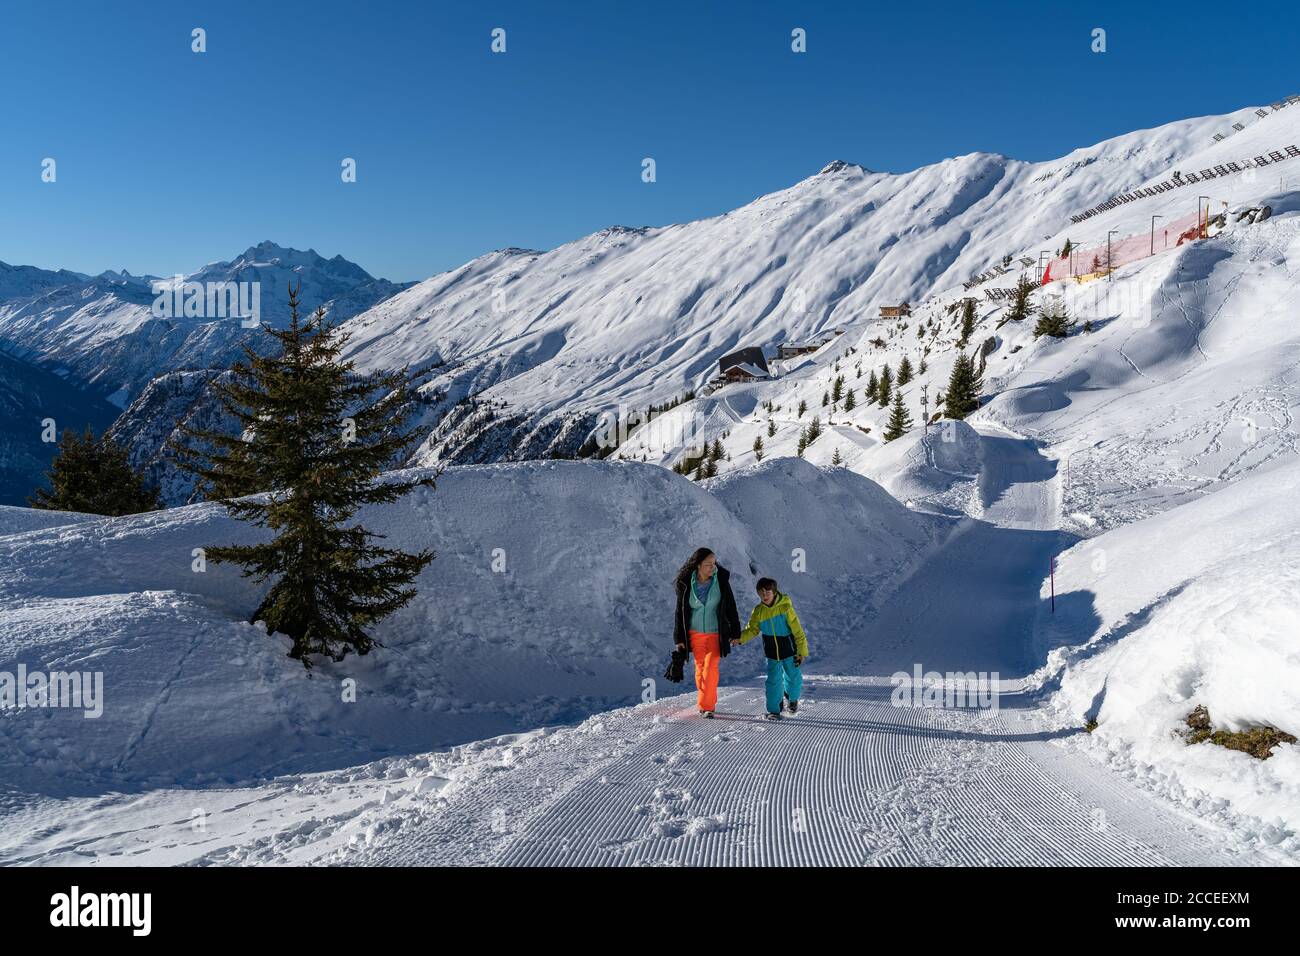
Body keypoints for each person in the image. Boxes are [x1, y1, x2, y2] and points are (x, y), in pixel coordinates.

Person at [673, 547, 741, 718]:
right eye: (708, 564)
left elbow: (731, 607)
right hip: (694, 633)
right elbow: (679, 612)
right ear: (698, 566)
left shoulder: (721, 581)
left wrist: (735, 631)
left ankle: (707, 706)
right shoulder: (687, 583)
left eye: (714, 563)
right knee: (700, 669)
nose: (713, 567)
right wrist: (679, 637)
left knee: (710, 668)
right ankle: (706, 701)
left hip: (716, 633)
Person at [732, 577, 808, 720]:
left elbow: (798, 631)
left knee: (793, 676)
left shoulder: (785, 608)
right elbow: (752, 629)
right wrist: (740, 638)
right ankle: (774, 709)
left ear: (774, 592)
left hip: (789, 649)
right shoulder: (758, 611)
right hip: (771, 651)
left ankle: (792, 699)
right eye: (761, 593)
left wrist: (802, 652)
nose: (765, 595)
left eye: (768, 592)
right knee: (773, 680)